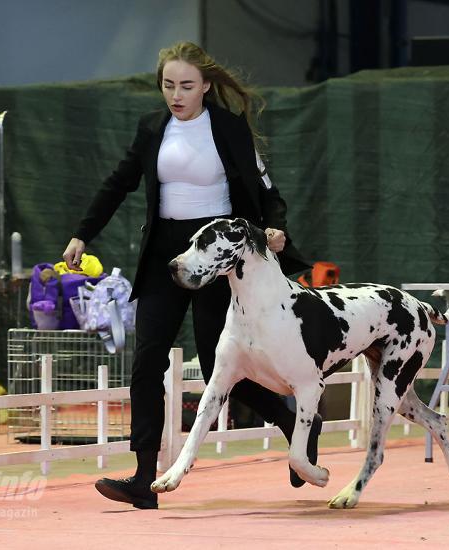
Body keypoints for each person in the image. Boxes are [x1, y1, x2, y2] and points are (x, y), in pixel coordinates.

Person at [63, 41, 322, 510]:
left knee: (215, 367)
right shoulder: (151, 128)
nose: (176, 95)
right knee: (146, 361)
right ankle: (144, 477)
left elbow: (266, 189)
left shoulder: (228, 128)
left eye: (186, 85)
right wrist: (83, 235)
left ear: (205, 86)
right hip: (165, 254)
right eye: (168, 85)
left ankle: (291, 423)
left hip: (217, 257)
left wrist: (274, 227)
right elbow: (117, 184)